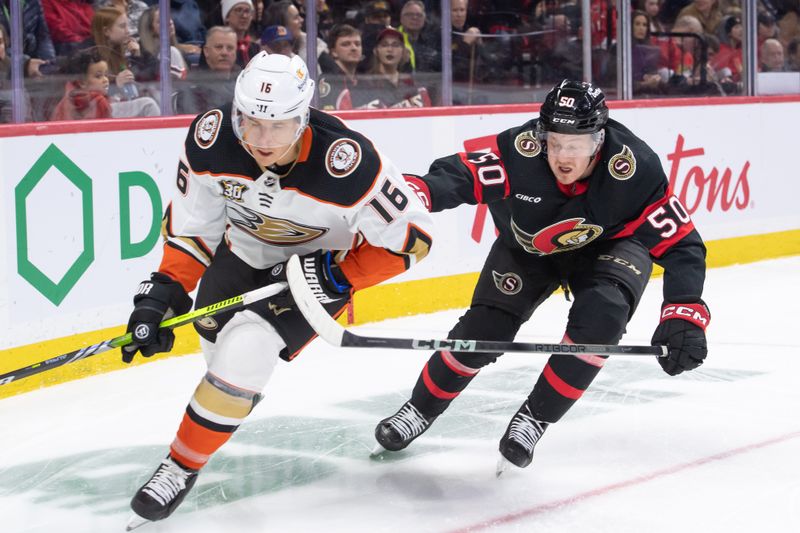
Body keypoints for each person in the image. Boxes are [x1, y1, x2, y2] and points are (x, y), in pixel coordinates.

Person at [123, 51, 434, 528]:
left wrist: (339, 276)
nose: (262, 140)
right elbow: (194, 228)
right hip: (243, 253)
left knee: (246, 355)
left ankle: (180, 467)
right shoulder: (211, 140)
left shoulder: (347, 163)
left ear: (303, 116)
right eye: (250, 122)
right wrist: (161, 292)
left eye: (278, 126)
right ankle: (234, 397)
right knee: (221, 360)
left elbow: (413, 240)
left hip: (312, 274)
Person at [373, 80, 710, 474]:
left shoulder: (634, 168)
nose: (563, 157)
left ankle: (534, 419)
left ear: (599, 140)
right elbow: (462, 176)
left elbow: (683, 245)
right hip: (529, 246)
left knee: (602, 318)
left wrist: (684, 312)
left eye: (577, 145)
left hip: (610, 248)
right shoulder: (522, 150)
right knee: (484, 330)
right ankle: (419, 409)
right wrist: (418, 193)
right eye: (555, 141)